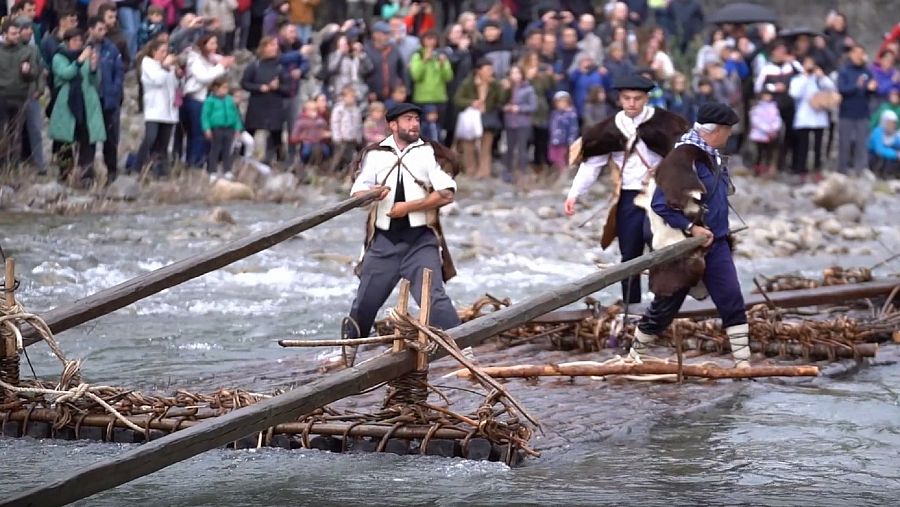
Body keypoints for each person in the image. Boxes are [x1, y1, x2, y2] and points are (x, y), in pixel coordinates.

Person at [628, 102, 751, 369]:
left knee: (732, 299)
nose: (730, 134)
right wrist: (692, 228)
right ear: (716, 130)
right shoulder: (681, 158)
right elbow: (659, 205)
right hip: (685, 247)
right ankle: (634, 356)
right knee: (665, 307)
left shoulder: (713, 155)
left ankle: (744, 366)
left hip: (717, 242)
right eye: (728, 129)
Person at [342, 102, 461, 349]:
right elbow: (357, 193)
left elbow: (446, 193)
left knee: (435, 301)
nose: (415, 124)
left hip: (421, 241)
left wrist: (408, 208)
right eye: (408, 119)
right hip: (383, 243)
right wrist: (370, 193)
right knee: (364, 304)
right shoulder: (374, 155)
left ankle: (463, 351)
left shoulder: (428, 152)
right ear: (393, 125)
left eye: (417, 119)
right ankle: (346, 353)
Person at [564, 74, 689, 304]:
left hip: (660, 193)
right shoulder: (608, 129)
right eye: (627, 98)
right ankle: (631, 307)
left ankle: (663, 306)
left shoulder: (667, 123)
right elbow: (592, 165)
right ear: (619, 99)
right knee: (629, 254)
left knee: (663, 249)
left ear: (646, 98)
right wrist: (574, 194)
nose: (632, 103)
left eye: (637, 98)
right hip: (629, 196)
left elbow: (685, 157)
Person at [48, 27, 106, 187]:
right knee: (64, 139)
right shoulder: (59, 57)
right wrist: (80, 61)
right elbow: (66, 73)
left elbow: (95, 82)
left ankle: (86, 175)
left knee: (88, 138)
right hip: (67, 102)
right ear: (67, 42)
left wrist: (93, 68)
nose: (78, 43)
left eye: (80, 40)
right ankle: (65, 174)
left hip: (87, 101)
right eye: (74, 40)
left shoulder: (86, 56)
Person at [87, 15, 125, 184]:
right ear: (91, 30)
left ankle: (112, 172)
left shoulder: (111, 49)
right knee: (89, 139)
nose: (103, 32)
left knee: (111, 139)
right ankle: (88, 173)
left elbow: (119, 72)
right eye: (99, 29)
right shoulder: (85, 48)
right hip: (91, 101)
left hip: (108, 100)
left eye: (104, 29)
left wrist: (115, 91)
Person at [134, 38, 179, 178]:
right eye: (162, 51)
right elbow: (157, 80)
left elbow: (174, 85)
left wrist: (177, 74)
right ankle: (138, 166)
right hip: (154, 109)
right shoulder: (148, 64)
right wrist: (165, 67)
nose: (165, 54)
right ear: (154, 52)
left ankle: (161, 172)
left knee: (163, 144)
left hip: (169, 110)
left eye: (167, 51)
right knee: (150, 138)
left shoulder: (168, 67)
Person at [241, 35, 288, 166]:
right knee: (250, 131)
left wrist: (277, 87)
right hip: (257, 103)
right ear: (264, 47)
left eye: (276, 45)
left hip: (274, 104)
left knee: (276, 133)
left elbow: (287, 88)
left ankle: (279, 161)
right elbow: (244, 83)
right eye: (271, 45)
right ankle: (242, 159)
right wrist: (259, 87)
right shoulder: (254, 66)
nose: (275, 48)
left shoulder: (280, 67)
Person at [0, 18, 39, 168]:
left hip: (19, 98)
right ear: (4, 34)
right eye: (13, 33)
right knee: (2, 133)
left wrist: (28, 72)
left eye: (18, 33)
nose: (17, 36)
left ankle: (14, 166)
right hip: (2, 97)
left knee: (16, 135)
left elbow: (35, 73)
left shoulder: (26, 51)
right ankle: (2, 166)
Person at [789, 57, 835, 179]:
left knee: (818, 146)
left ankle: (817, 169)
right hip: (804, 117)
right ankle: (801, 170)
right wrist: (805, 77)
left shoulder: (819, 79)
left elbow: (831, 88)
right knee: (803, 146)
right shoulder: (798, 79)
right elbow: (794, 93)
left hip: (819, 117)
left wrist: (822, 77)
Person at [837, 45, 878, 174]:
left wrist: (872, 88)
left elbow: (871, 91)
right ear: (851, 54)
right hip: (846, 112)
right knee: (844, 143)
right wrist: (857, 86)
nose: (859, 55)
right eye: (856, 52)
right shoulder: (844, 71)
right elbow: (842, 89)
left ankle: (860, 170)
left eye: (861, 53)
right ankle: (842, 170)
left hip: (863, 112)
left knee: (862, 143)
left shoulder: (867, 72)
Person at [501, 65, 537, 183]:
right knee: (509, 148)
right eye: (513, 73)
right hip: (509, 122)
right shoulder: (507, 88)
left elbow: (533, 106)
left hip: (523, 123)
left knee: (522, 149)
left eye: (517, 73)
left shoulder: (528, 89)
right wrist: (505, 107)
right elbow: (500, 102)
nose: (515, 76)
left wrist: (519, 108)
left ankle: (522, 173)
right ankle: (508, 172)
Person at [202, 77, 243, 175]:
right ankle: (212, 170)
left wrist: (238, 128)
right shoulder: (210, 100)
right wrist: (207, 128)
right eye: (223, 88)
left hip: (229, 128)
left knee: (227, 150)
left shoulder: (229, 100)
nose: (226, 90)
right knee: (215, 150)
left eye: (227, 88)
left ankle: (227, 170)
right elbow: (205, 116)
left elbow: (236, 115)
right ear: (216, 88)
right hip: (217, 128)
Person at [748, 90, 782, 178]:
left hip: (771, 134)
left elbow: (777, 119)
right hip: (760, 134)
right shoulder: (757, 108)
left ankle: (767, 169)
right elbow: (756, 121)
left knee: (769, 153)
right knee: (759, 153)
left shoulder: (774, 107)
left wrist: (773, 128)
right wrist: (766, 129)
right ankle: (757, 169)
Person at [329, 85, 363, 172]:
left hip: (352, 138)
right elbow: (335, 123)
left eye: (353, 97)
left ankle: (348, 171)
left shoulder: (356, 110)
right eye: (350, 97)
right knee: (339, 155)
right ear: (343, 97)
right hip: (342, 138)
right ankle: (333, 170)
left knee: (351, 156)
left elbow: (358, 125)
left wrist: (358, 137)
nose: (352, 99)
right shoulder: (339, 109)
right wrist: (337, 136)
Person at [548, 90, 578, 172]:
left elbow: (573, 128)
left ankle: (564, 174)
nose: (561, 104)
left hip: (564, 141)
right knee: (552, 157)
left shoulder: (571, 114)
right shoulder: (554, 114)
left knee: (562, 158)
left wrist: (571, 140)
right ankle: (557, 172)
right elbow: (552, 126)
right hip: (554, 141)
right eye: (559, 102)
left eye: (564, 102)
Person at [868, 109, 900, 177]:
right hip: (873, 157)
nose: (892, 125)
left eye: (894, 123)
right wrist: (896, 154)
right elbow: (879, 150)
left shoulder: (894, 133)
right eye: (890, 123)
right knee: (885, 158)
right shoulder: (877, 132)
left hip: (887, 157)